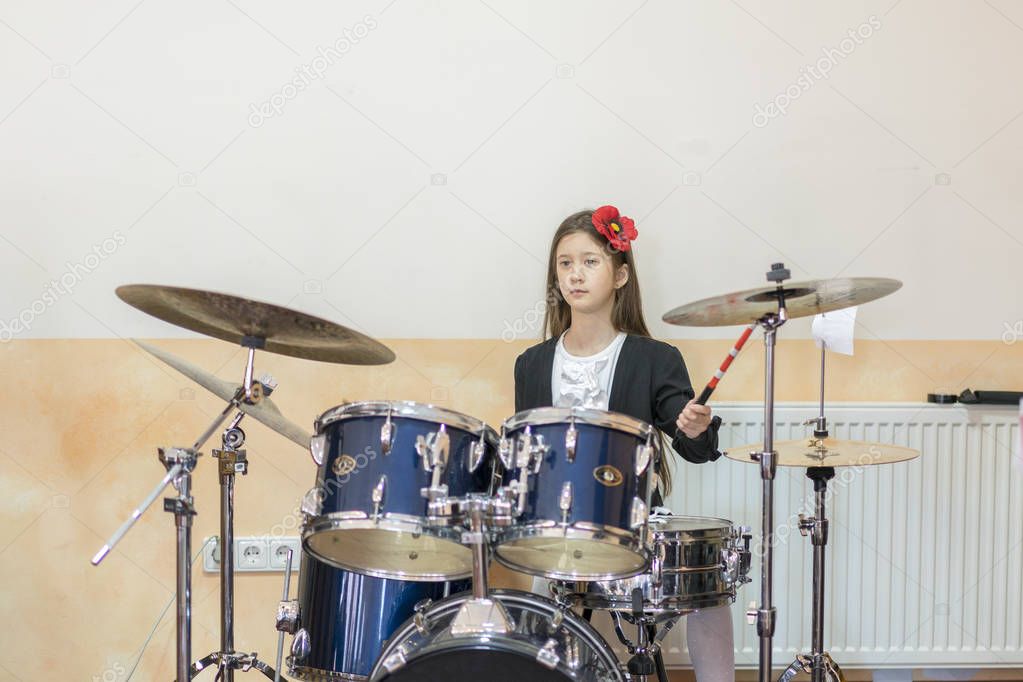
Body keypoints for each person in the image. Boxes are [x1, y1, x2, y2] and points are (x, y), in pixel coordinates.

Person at [512, 206, 735, 682]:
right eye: (565, 263)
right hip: (557, 530)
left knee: (706, 584)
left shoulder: (654, 358)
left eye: (590, 262)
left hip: (634, 524)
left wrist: (695, 428)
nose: (575, 274)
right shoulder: (530, 363)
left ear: (620, 275)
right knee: (530, 617)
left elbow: (695, 445)